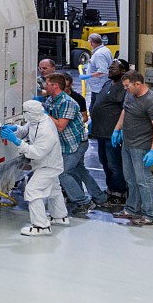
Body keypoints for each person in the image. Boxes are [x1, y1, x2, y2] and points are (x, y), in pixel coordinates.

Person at [2, 100, 68, 236]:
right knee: (54, 189)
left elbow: (37, 152)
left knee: (33, 190)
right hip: (49, 163)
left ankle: (41, 226)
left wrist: (16, 141)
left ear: (32, 113)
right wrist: (15, 129)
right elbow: (27, 129)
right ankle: (60, 217)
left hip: (48, 165)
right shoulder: (39, 119)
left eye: (26, 112)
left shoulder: (46, 129)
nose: (25, 115)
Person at [41, 68, 102, 213]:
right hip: (68, 144)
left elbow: (61, 126)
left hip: (76, 144)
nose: (45, 87)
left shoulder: (67, 103)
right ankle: (99, 197)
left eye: (47, 84)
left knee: (63, 173)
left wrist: (43, 114)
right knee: (80, 170)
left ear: (55, 86)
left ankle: (83, 201)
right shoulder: (52, 100)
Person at [113, 69, 153, 226]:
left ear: (138, 84)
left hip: (141, 146)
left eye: (127, 86)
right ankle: (132, 209)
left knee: (143, 180)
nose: (125, 89)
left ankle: (152, 214)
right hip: (128, 143)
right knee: (131, 179)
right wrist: (117, 129)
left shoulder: (152, 101)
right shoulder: (130, 94)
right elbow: (125, 111)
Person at [91, 64, 131, 209]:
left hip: (112, 133)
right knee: (104, 162)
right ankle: (110, 189)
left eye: (114, 68)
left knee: (114, 164)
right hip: (100, 132)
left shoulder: (124, 88)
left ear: (123, 71)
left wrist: (119, 130)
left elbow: (125, 110)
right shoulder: (108, 83)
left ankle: (118, 193)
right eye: (109, 68)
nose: (110, 70)